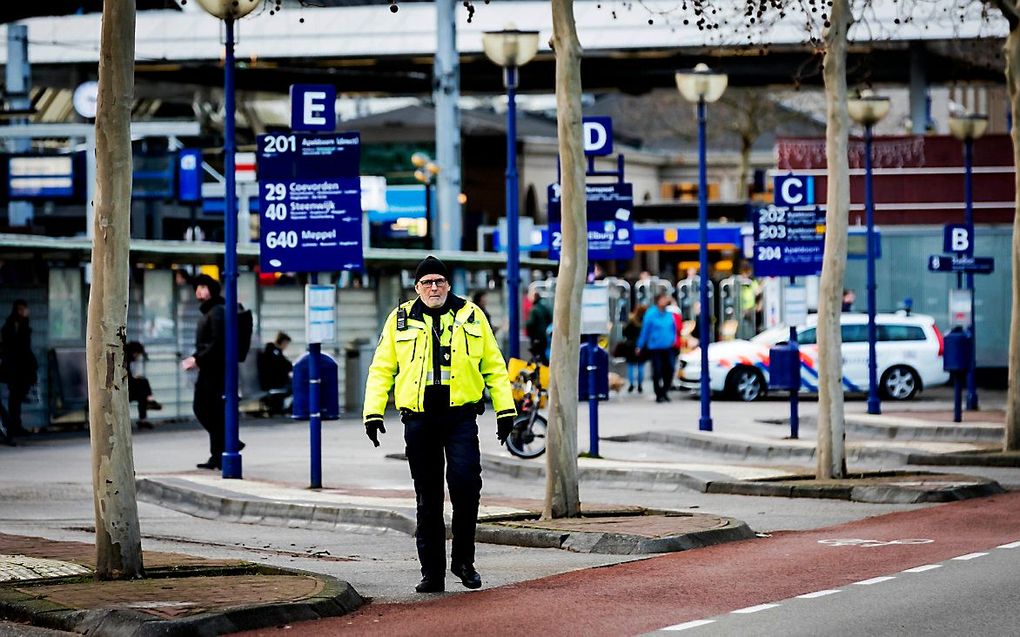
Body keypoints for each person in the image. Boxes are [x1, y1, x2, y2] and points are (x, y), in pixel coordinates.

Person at [363, 255, 516, 594]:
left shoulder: (471, 315)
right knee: (427, 497)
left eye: (439, 282)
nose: (434, 287)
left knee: (466, 488)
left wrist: (505, 410)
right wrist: (372, 412)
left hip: (460, 418)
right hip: (419, 421)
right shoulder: (400, 319)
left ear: (449, 285)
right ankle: (432, 572)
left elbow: (494, 364)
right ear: (416, 288)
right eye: (427, 283)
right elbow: (381, 368)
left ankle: (464, 562)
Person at [181, 274, 231, 470]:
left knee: (204, 408)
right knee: (211, 411)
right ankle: (218, 453)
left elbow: (218, 342)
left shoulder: (217, 312)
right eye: (197, 287)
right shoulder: (211, 311)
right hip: (210, 369)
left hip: (214, 371)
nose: (198, 291)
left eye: (203, 287)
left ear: (212, 289)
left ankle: (227, 444)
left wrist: (197, 359)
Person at [0, 300, 38, 440]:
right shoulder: (13, 326)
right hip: (15, 368)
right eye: (20, 309)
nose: (23, 312)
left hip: (22, 367)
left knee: (16, 398)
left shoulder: (23, 325)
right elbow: (15, 347)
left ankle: (15, 425)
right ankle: (13, 425)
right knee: (15, 398)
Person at [635, 293, 680, 403]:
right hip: (655, 347)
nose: (665, 301)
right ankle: (658, 393)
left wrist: (673, 340)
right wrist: (640, 345)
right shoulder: (651, 314)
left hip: (668, 346)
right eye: (663, 299)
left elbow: (674, 328)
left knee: (669, 369)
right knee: (657, 370)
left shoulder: (669, 314)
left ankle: (664, 391)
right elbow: (645, 331)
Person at [126, 341, 161, 430]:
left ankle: (143, 420)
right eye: (138, 354)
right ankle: (150, 400)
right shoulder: (125, 359)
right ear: (134, 352)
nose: (138, 357)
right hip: (123, 390)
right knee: (144, 382)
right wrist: (136, 379)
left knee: (142, 395)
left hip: (128, 388)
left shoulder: (128, 360)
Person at [257, 332, 293, 415]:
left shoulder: (274, 352)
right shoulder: (274, 353)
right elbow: (284, 365)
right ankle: (289, 409)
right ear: (283, 342)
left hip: (274, 382)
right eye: (286, 344)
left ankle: (286, 408)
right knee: (296, 386)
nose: (286, 347)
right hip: (273, 383)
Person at [620, 304, 647, 393]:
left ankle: (631, 384)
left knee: (631, 366)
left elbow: (624, 332)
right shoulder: (645, 322)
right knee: (640, 367)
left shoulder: (631, 321)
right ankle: (640, 385)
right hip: (642, 346)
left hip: (630, 346)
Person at [525, 290, 552, 363]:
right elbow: (550, 318)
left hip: (536, 337)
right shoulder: (544, 307)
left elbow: (530, 324)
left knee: (536, 356)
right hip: (544, 336)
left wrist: (529, 332)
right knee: (543, 355)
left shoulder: (534, 310)